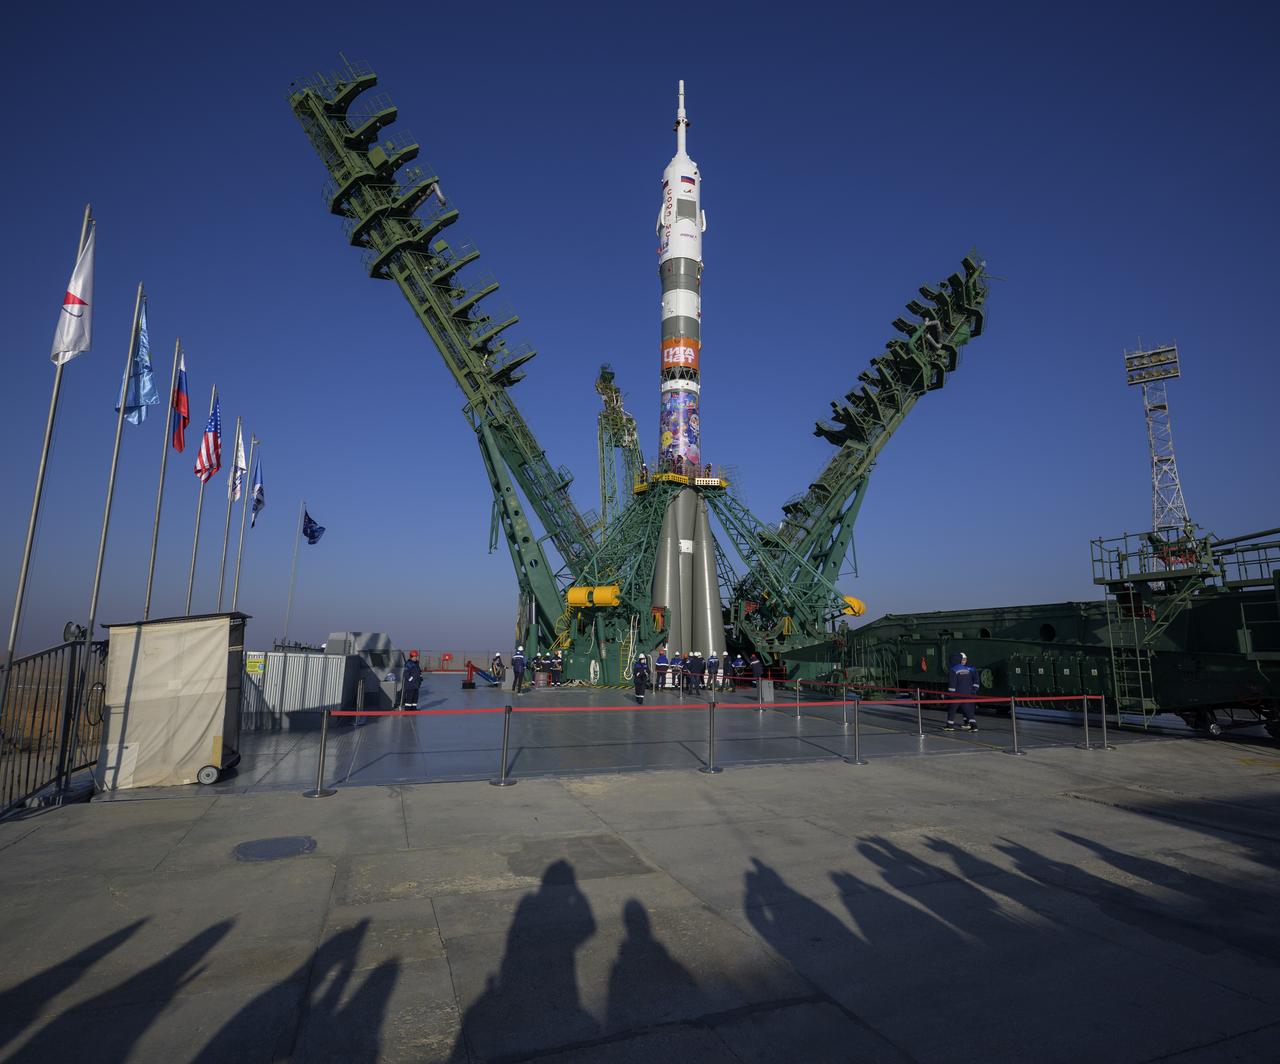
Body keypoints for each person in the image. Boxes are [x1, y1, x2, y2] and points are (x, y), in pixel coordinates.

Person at [946, 651, 980, 731]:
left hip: (957, 694)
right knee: (967, 710)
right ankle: (974, 726)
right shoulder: (966, 669)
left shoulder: (953, 670)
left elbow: (952, 684)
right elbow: (969, 682)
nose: (963, 661)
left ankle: (949, 726)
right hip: (966, 693)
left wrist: (951, 694)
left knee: (952, 709)